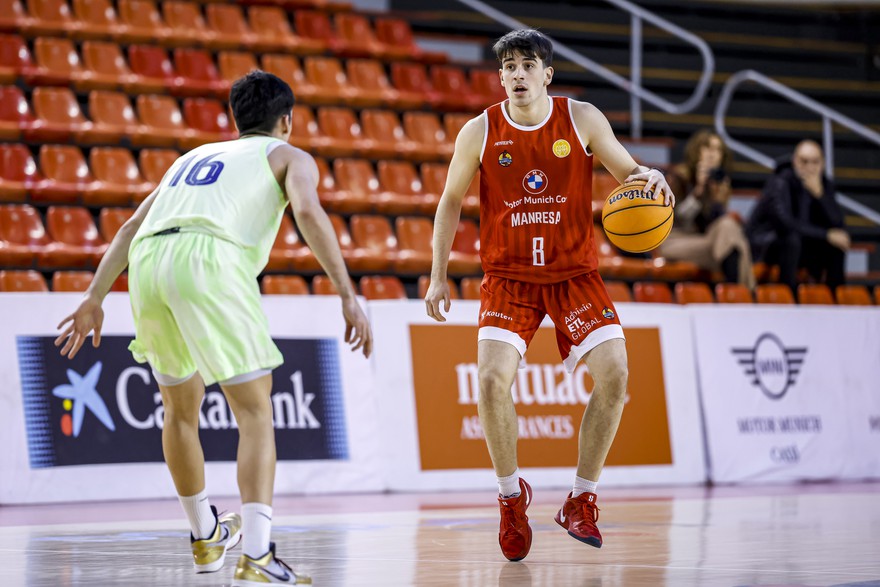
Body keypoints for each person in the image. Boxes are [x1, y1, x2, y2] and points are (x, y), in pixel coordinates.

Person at [55, 71, 372, 586]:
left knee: (180, 411)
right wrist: (346, 293)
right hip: (208, 260)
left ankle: (206, 534)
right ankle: (259, 556)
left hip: (149, 263)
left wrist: (94, 296)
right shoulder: (290, 156)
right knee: (254, 411)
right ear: (286, 121)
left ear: (234, 119)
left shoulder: (191, 157)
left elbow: (131, 226)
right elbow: (309, 213)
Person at [424, 29, 674, 561]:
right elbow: (449, 202)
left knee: (617, 375)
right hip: (509, 276)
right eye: (508, 66)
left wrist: (650, 178)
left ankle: (581, 499)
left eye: (527, 65)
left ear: (547, 74)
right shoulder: (479, 131)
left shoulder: (581, 118)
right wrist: (437, 274)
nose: (517, 74)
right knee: (491, 381)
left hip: (572, 274)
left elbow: (628, 172)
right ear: (500, 77)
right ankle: (511, 500)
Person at [746, 139, 849, 292]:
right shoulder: (781, 182)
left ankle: (836, 299)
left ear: (823, 163)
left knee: (836, 245)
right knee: (792, 240)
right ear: (795, 161)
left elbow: (838, 226)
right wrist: (825, 235)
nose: (810, 167)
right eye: (804, 161)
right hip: (768, 245)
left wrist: (820, 196)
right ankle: (789, 299)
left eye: (815, 162)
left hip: (803, 244)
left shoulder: (824, 185)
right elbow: (786, 224)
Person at [660, 129, 755, 288]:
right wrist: (698, 191)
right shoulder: (679, 176)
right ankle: (746, 294)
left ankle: (737, 293)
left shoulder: (719, 183)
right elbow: (677, 218)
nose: (713, 154)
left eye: (718, 150)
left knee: (728, 226)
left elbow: (713, 226)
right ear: (696, 150)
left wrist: (717, 199)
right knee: (734, 244)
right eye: (708, 148)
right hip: (676, 241)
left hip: (706, 242)